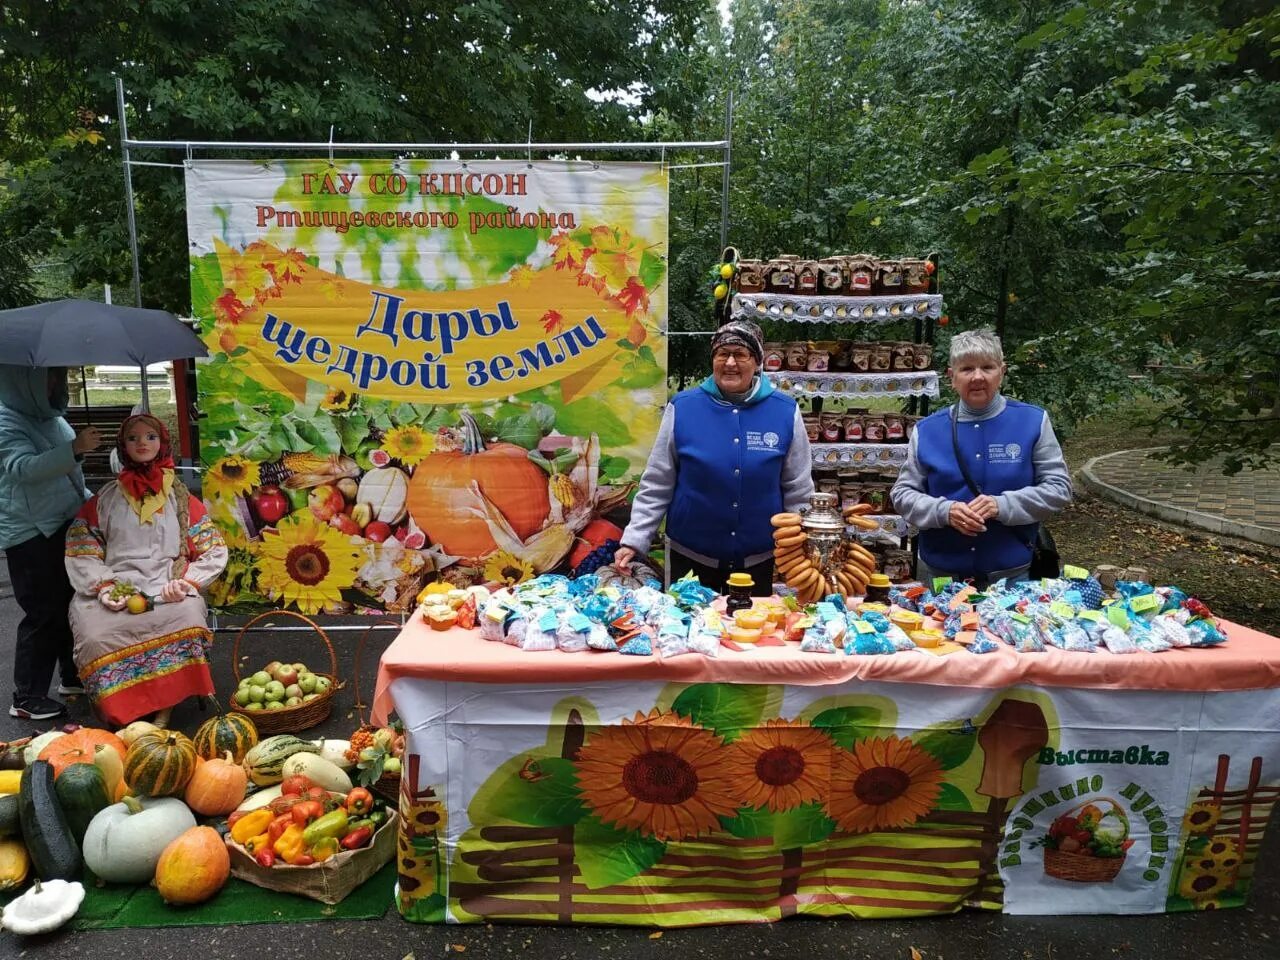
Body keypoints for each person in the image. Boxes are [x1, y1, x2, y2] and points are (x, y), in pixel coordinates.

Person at [614, 319, 814, 594]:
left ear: (757, 362)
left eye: (740, 354)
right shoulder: (683, 408)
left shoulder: (784, 412)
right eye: (723, 354)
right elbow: (657, 483)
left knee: (749, 631)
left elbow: (798, 490)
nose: (730, 362)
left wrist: (800, 548)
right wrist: (634, 540)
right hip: (690, 557)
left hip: (757, 559)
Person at [64, 414, 227, 727]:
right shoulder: (104, 500)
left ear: (162, 443)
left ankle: (165, 706)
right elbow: (81, 549)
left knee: (187, 617)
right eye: (133, 438)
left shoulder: (182, 499)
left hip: (166, 586)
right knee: (96, 634)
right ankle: (125, 716)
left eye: (150, 437)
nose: (142, 443)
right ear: (122, 446)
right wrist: (104, 587)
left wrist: (187, 582)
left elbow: (214, 549)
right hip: (116, 588)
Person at [891, 329, 1072, 588]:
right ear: (952, 377)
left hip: (1014, 578)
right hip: (942, 578)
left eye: (987, 367)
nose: (977, 377)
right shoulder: (928, 430)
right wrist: (946, 511)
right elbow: (902, 495)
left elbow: (1059, 489)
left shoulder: (1032, 422)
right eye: (967, 369)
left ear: (1002, 372)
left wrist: (1002, 506)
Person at [0, 365, 102, 720]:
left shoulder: (52, 418)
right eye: (51, 377)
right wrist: (74, 448)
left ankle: (71, 675)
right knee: (42, 612)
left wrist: (94, 503)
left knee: (69, 603)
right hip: (30, 532)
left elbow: (70, 476)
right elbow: (22, 468)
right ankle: (26, 697)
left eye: (60, 376)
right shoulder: (6, 421)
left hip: (63, 523)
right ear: (23, 380)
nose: (58, 384)